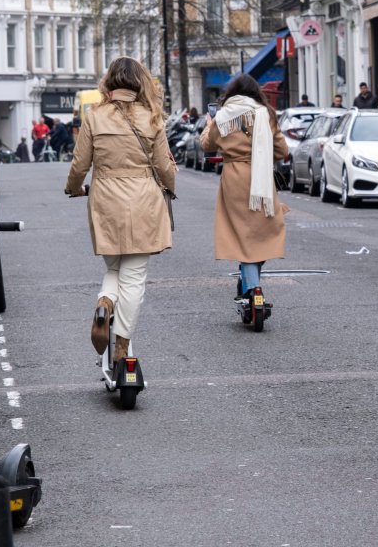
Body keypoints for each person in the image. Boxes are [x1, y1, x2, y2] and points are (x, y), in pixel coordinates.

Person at [65, 56, 177, 362]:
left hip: (105, 200)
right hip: (143, 200)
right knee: (134, 275)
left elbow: (79, 164)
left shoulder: (94, 116)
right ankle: (122, 345)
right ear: (140, 82)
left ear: (109, 82)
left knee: (114, 267)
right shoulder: (152, 116)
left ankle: (104, 302)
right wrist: (171, 187)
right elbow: (164, 166)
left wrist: (74, 188)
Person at [200, 74, 288, 302]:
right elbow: (282, 151)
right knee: (264, 231)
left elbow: (207, 145)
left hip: (234, 178)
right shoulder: (265, 114)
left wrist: (209, 126)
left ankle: (252, 287)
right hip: (261, 177)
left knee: (241, 234)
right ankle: (251, 282)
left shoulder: (222, 116)